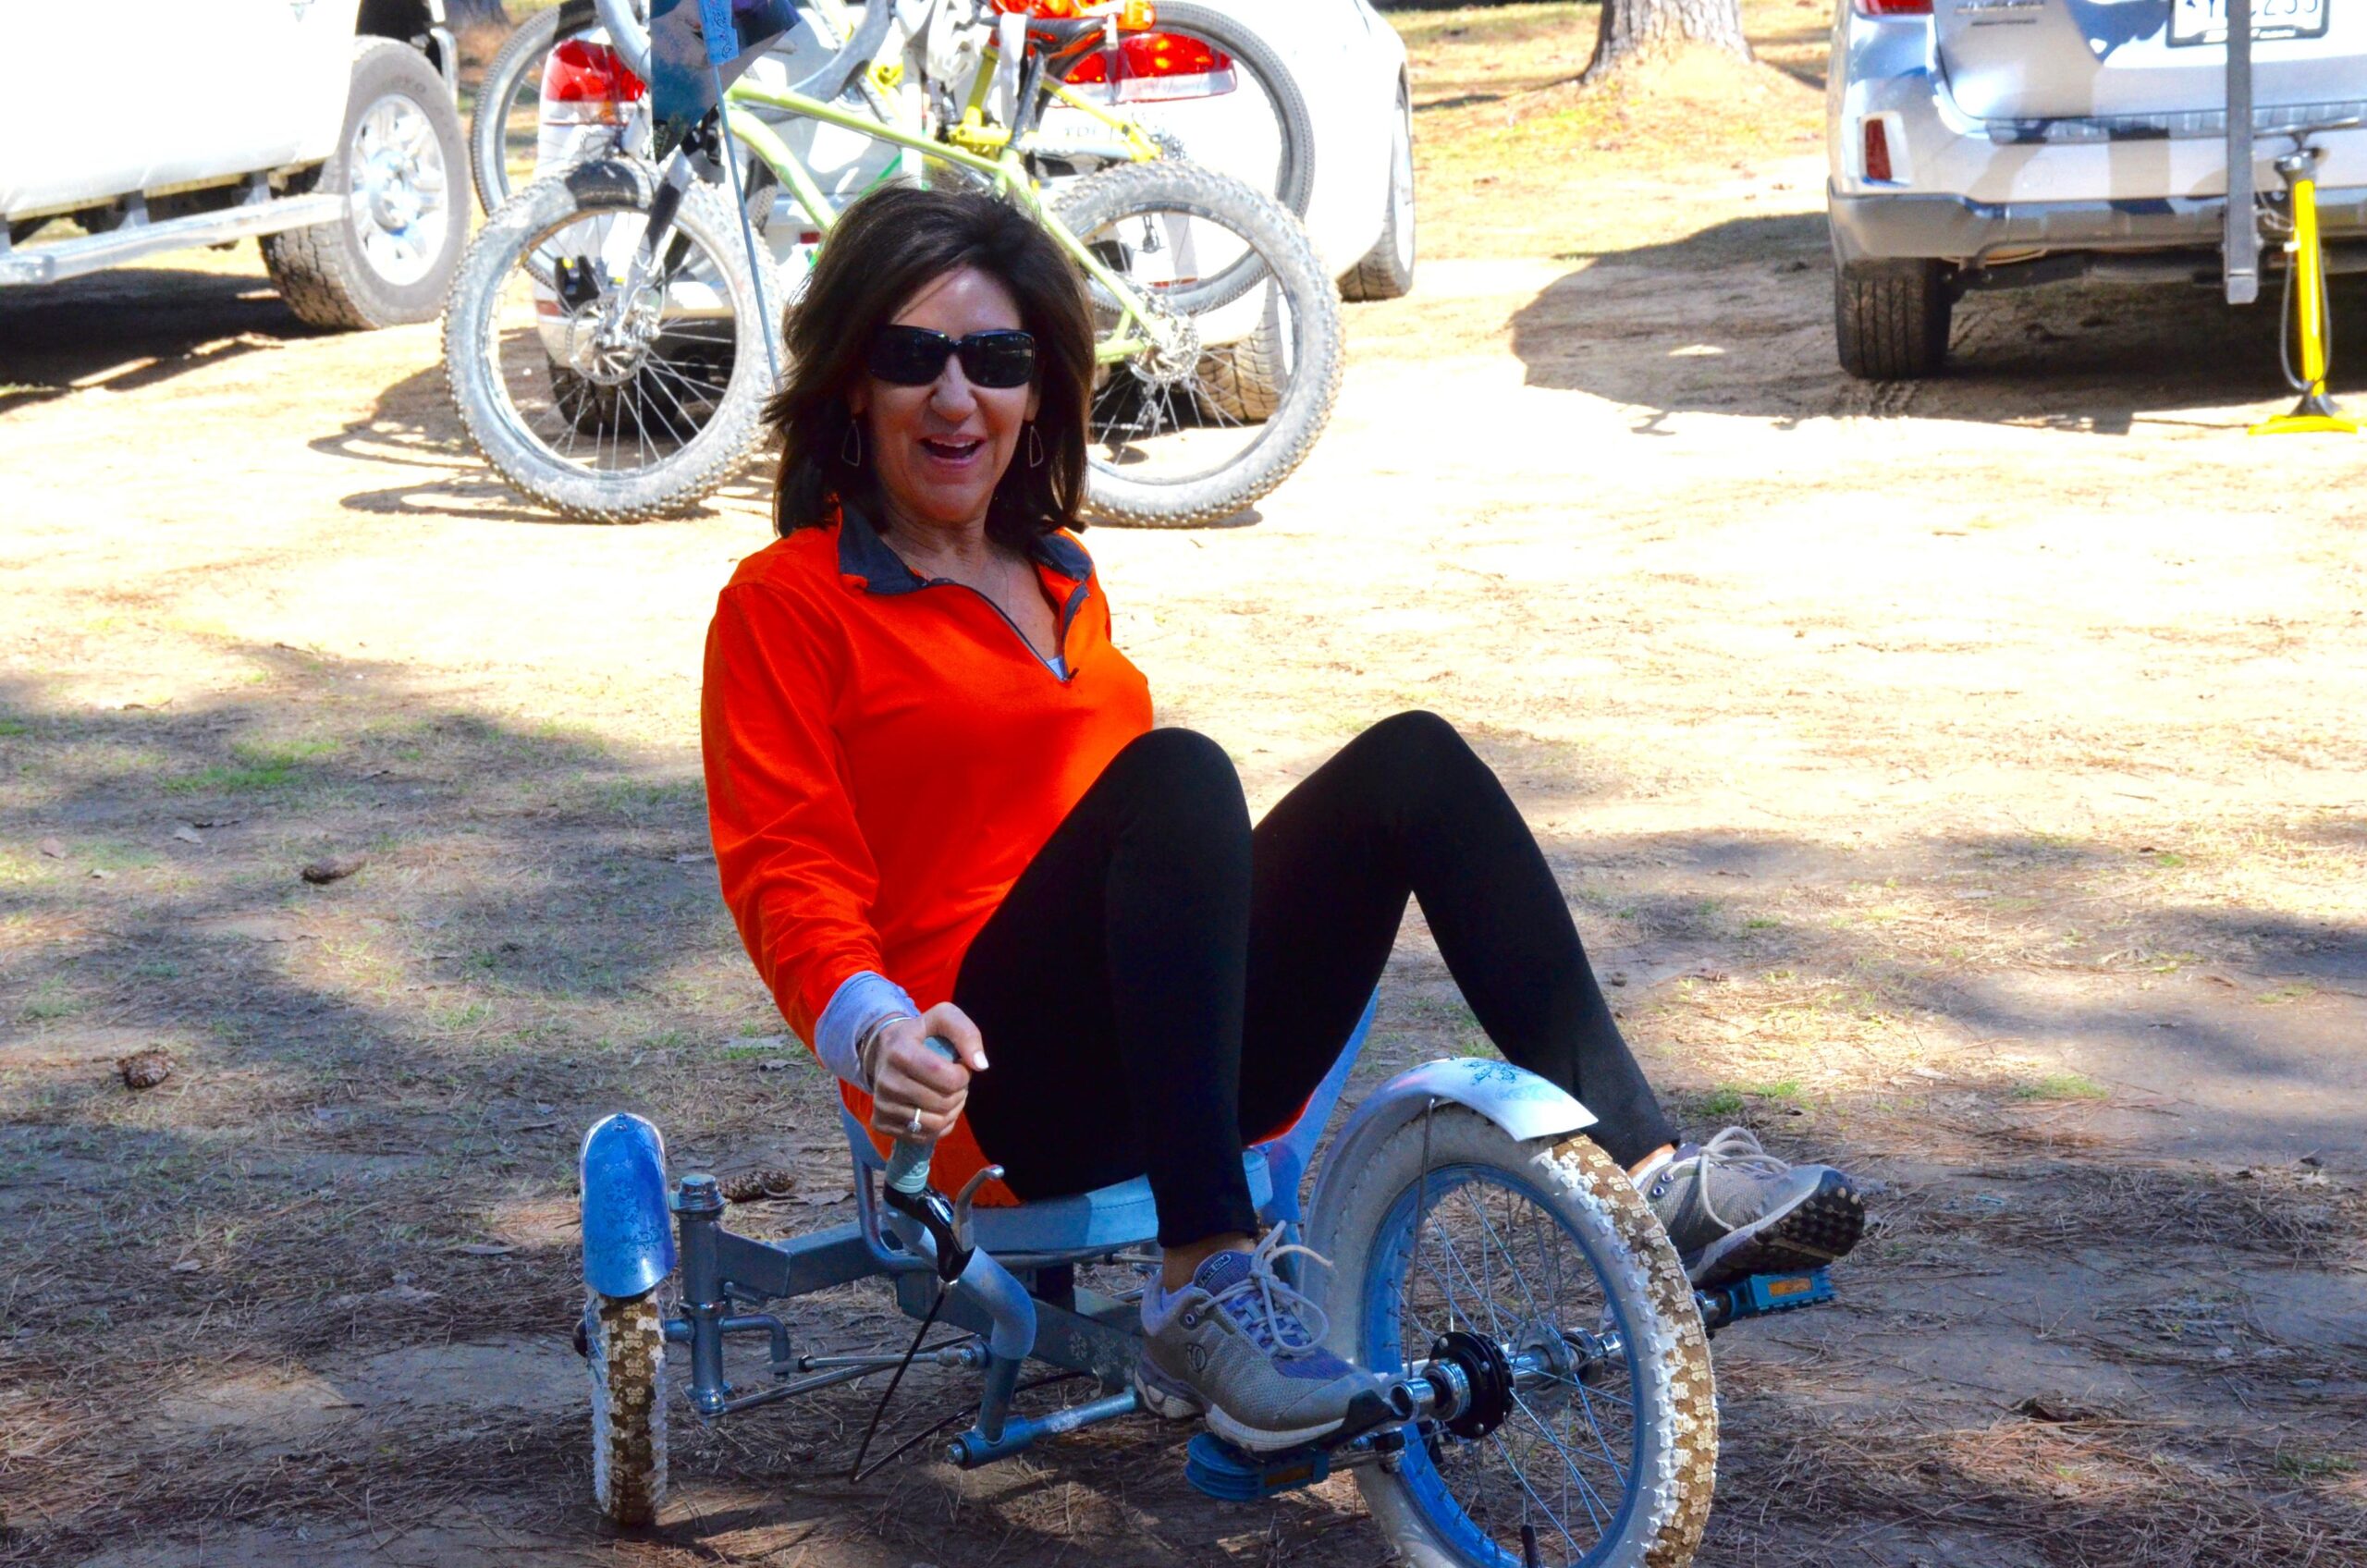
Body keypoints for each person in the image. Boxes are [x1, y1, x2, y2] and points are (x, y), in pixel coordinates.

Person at [702, 185, 1864, 1454]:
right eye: (911, 357)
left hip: (1175, 1057)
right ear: (851, 388)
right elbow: (784, 869)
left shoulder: (1063, 575)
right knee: (1182, 775)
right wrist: (871, 1029)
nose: (955, 396)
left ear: (1040, 392)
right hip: (992, 1084)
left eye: (996, 360)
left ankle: (1656, 1183)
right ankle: (1207, 1275)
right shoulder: (788, 604)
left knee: (1410, 762)